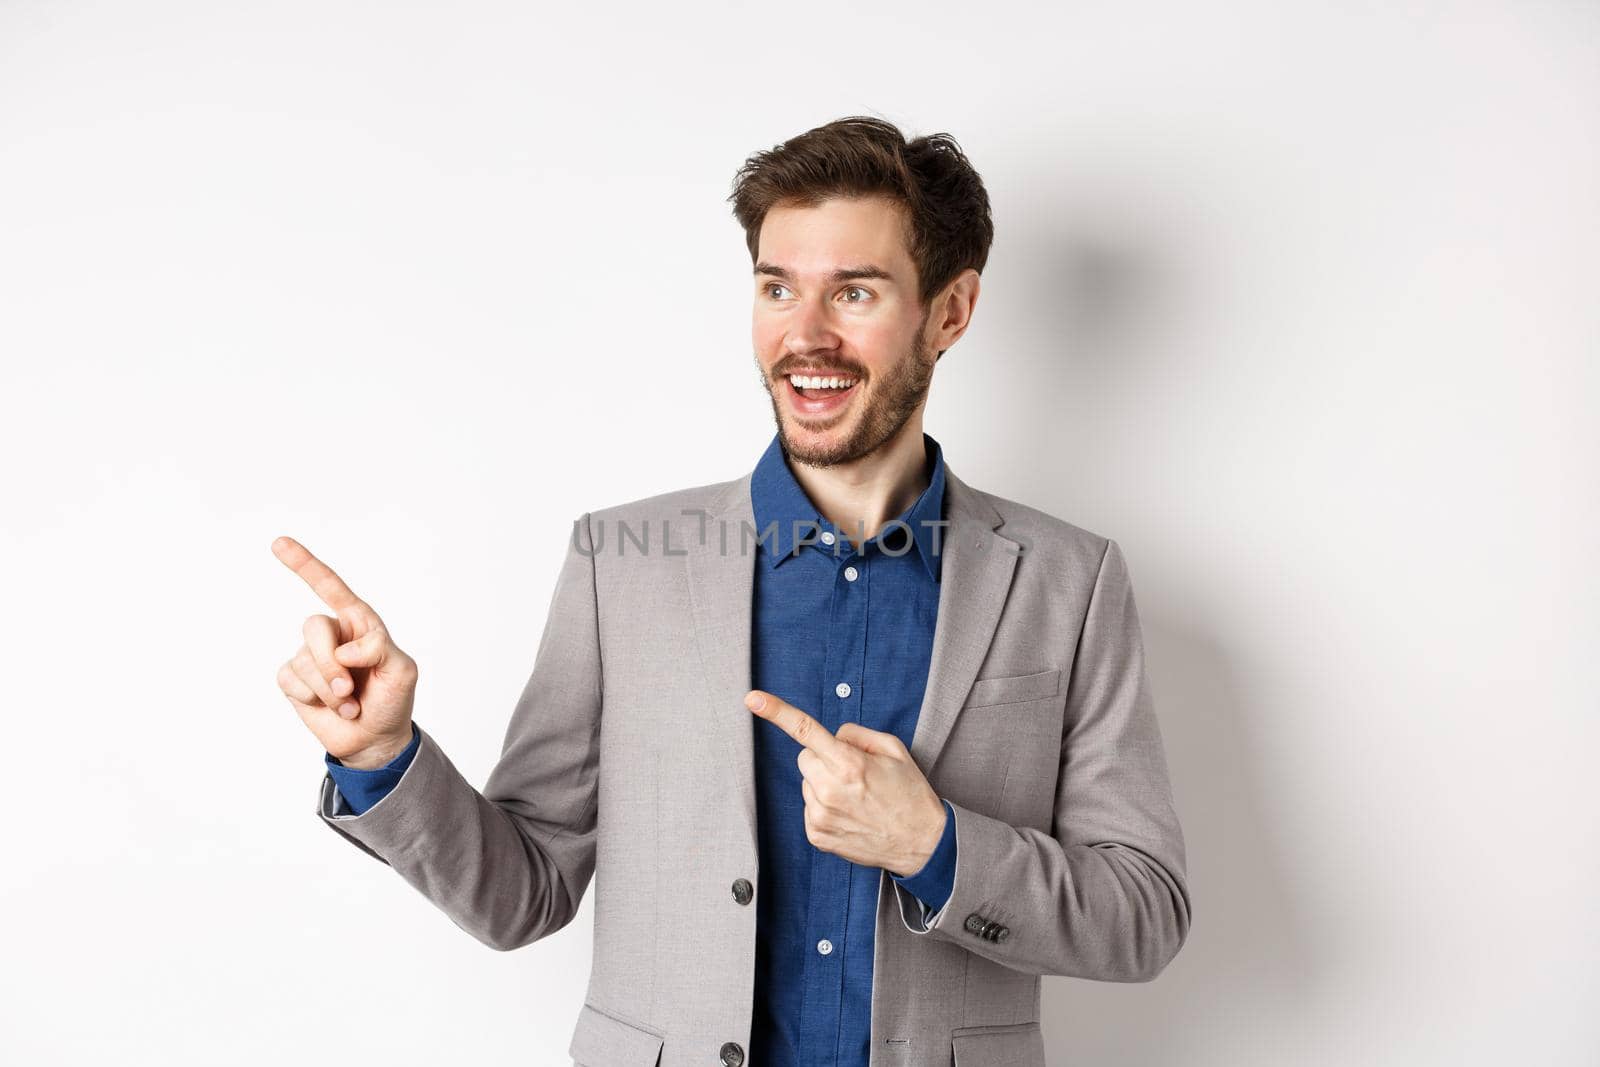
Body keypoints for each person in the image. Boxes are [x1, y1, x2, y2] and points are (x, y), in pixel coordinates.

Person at [272, 115, 1191, 1067]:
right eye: (777, 287)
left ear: (951, 311)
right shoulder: (620, 563)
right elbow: (523, 893)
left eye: (856, 292)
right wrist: (383, 755)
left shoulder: (1068, 581)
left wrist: (935, 842)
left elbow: (1144, 912)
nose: (805, 335)